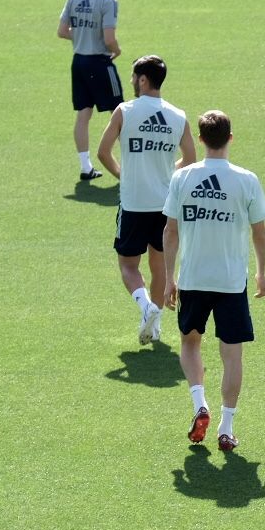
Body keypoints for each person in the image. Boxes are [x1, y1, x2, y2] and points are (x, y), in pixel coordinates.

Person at [161, 111, 265, 452]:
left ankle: (199, 404)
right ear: (230, 138)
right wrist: (262, 271)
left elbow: (170, 230)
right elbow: (260, 231)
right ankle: (226, 426)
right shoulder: (246, 179)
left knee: (190, 343)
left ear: (201, 139)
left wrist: (168, 279)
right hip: (231, 281)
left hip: (193, 278)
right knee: (231, 355)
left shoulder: (183, 177)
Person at [97, 54, 195, 346]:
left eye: (133, 78)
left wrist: (121, 174)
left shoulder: (125, 111)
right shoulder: (178, 116)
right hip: (165, 204)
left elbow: (103, 152)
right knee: (159, 266)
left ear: (142, 79)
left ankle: (146, 308)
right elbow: (190, 159)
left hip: (133, 203)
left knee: (128, 265)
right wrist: (167, 172)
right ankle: (155, 326)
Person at [57, 0, 121, 181]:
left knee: (83, 114)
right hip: (100, 62)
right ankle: (131, 166)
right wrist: (117, 49)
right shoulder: (108, 1)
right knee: (120, 112)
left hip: (79, 62)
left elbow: (63, 31)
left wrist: (81, 35)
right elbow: (109, 37)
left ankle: (85, 167)